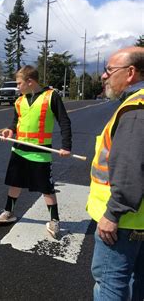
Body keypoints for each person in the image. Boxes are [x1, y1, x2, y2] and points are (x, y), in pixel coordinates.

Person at [87, 46, 143, 300]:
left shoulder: (134, 111)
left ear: (130, 73)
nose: (104, 75)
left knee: (110, 284)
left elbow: (130, 170)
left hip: (124, 223)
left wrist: (113, 213)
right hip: (137, 220)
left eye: (110, 69)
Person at [0, 65, 71, 239]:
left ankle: (54, 220)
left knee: (46, 187)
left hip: (40, 151)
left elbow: (64, 122)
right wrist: (10, 130)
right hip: (19, 148)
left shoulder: (51, 96)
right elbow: (16, 121)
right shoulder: (20, 100)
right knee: (15, 183)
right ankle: (9, 212)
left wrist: (66, 146)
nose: (17, 86)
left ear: (30, 82)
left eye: (19, 83)